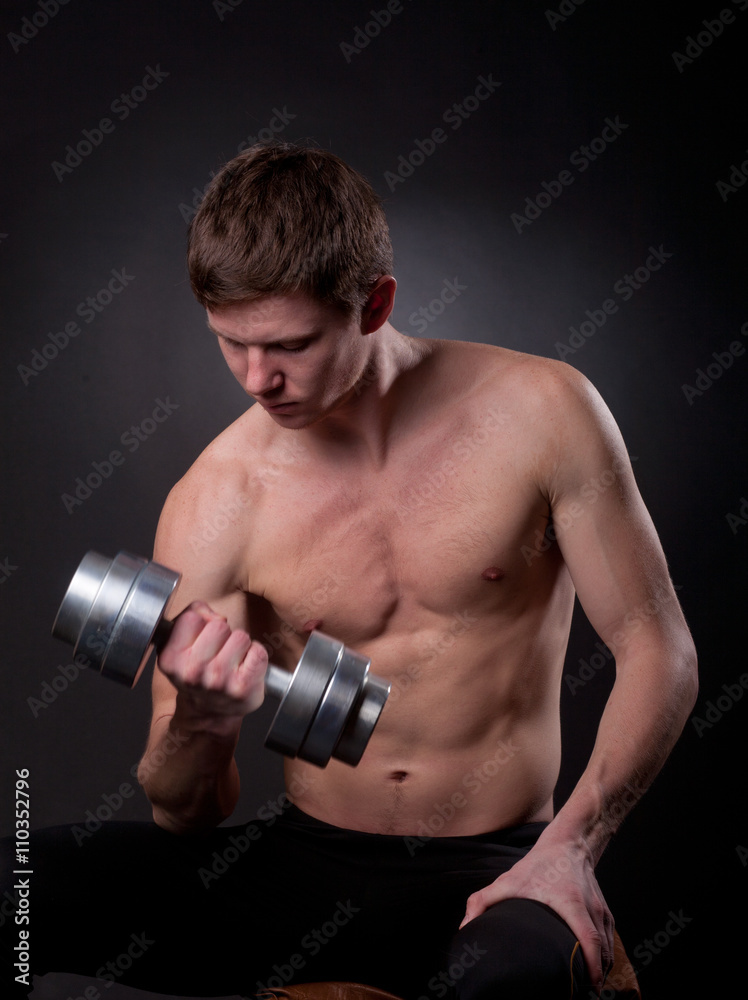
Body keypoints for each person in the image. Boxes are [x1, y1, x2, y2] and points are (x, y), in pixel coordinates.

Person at [2, 142, 696, 1000]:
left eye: (290, 345)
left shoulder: (543, 414)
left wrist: (573, 849)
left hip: (497, 868)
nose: (260, 380)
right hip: (305, 864)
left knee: (502, 983)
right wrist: (205, 720)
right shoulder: (217, 496)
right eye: (231, 344)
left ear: (375, 304)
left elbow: (656, 647)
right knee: (16, 888)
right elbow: (183, 812)